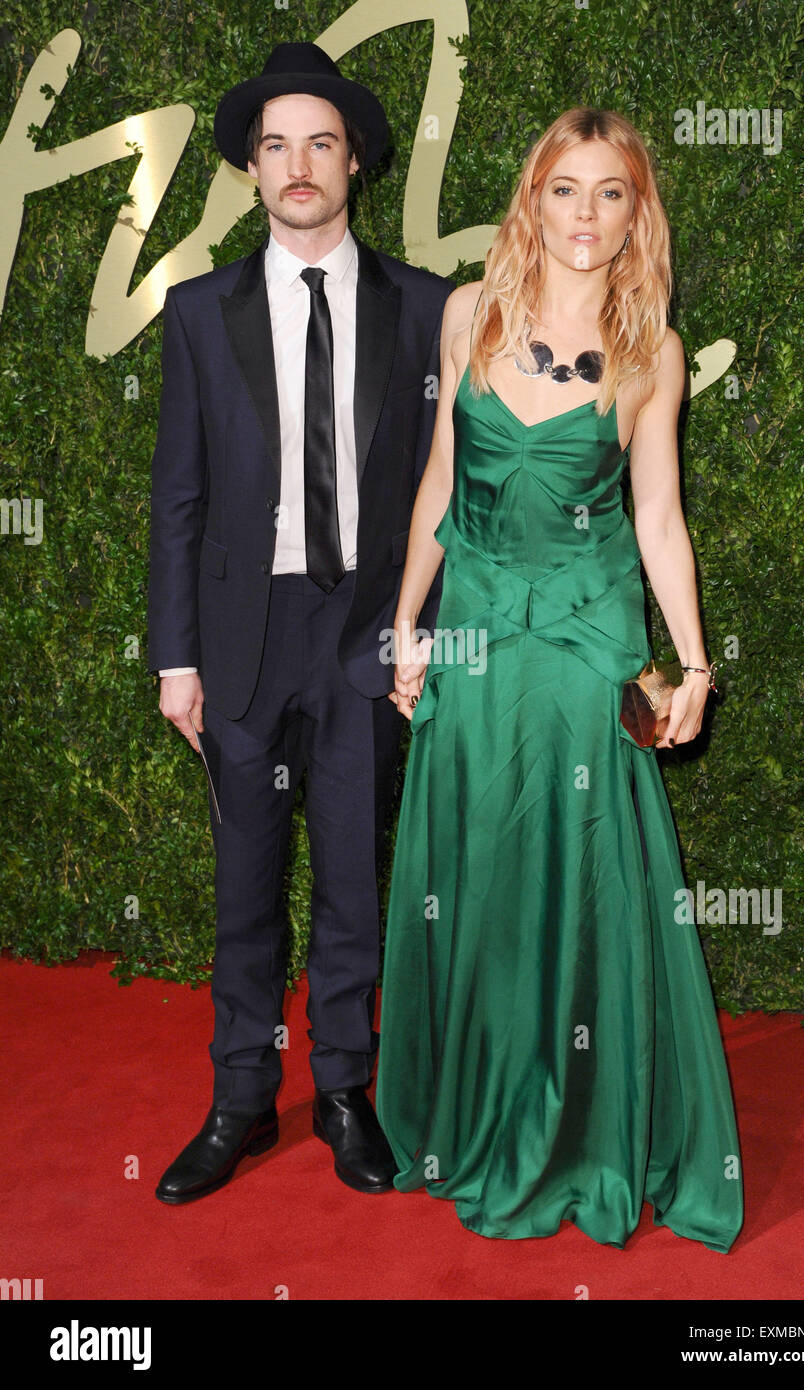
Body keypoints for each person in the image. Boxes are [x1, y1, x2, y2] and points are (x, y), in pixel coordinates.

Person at [376, 107, 744, 1250]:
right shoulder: (465, 315)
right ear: (529, 198)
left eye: (610, 193)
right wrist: (405, 623)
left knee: (581, 882)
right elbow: (440, 478)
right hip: (479, 636)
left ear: (638, 212)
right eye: (563, 189)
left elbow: (656, 519)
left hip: (586, 645)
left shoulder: (651, 354)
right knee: (478, 879)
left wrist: (689, 660)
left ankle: (583, 1128)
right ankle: (474, 1114)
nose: (584, 215)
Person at [147, 41, 452, 1204]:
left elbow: (446, 486)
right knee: (244, 884)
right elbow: (176, 496)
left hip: (365, 633)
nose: (297, 164)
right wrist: (174, 656)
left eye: (319, 141)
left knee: (353, 884)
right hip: (238, 637)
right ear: (247, 168)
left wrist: (426, 631)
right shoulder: (196, 312)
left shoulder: (424, 307)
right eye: (274, 145)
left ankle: (341, 1090)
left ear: (357, 159)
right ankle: (236, 1099)